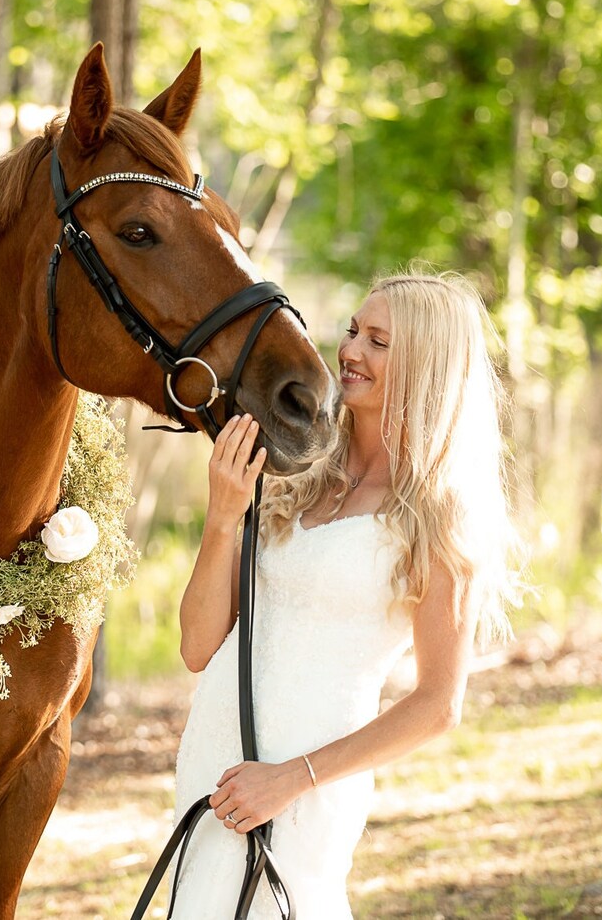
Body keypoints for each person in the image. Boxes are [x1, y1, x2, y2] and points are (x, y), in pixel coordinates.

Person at [169, 271, 524, 918]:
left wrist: (289, 779)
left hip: (307, 780)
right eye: (355, 331)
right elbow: (198, 648)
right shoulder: (297, 476)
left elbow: (439, 705)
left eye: (380, 341)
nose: (351, 351)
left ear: (427, 364)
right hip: (211, 757)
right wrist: (222, 516)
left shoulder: (440, 517)